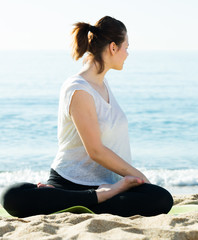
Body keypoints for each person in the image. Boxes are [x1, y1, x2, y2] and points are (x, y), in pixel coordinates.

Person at [0, 16, 173, 218]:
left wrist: (123, 183)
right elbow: (95, 151)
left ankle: (90, 199)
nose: (128, 53)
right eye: (126, 46)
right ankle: (96, 198)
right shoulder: (78, 89)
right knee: (11, 196)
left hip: (109, 183)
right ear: (113, 48)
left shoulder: (103, 84)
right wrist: (138, 175)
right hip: (69, 183)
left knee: (161, 198)